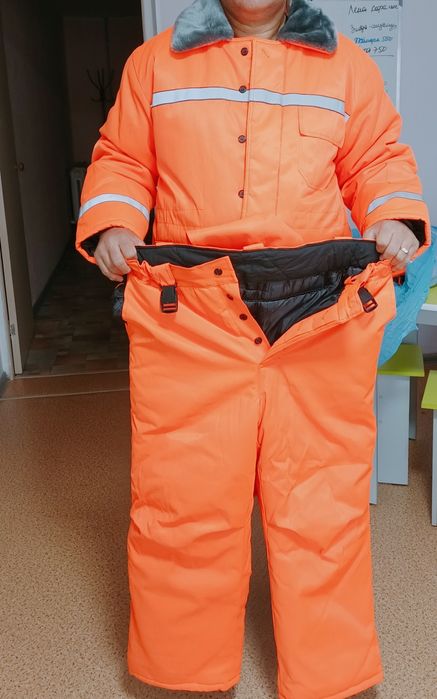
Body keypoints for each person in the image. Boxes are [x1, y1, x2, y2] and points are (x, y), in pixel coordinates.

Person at [76, 1, 430, 698]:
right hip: (191, 312)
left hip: (318, 312)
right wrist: (114, 221)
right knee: (185, 501)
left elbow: (377, 158)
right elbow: (122, 159)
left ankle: (330, 678)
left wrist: (392, 213)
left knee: (320, 504)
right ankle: (181, 677)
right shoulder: (155, 63)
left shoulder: (346, 67)